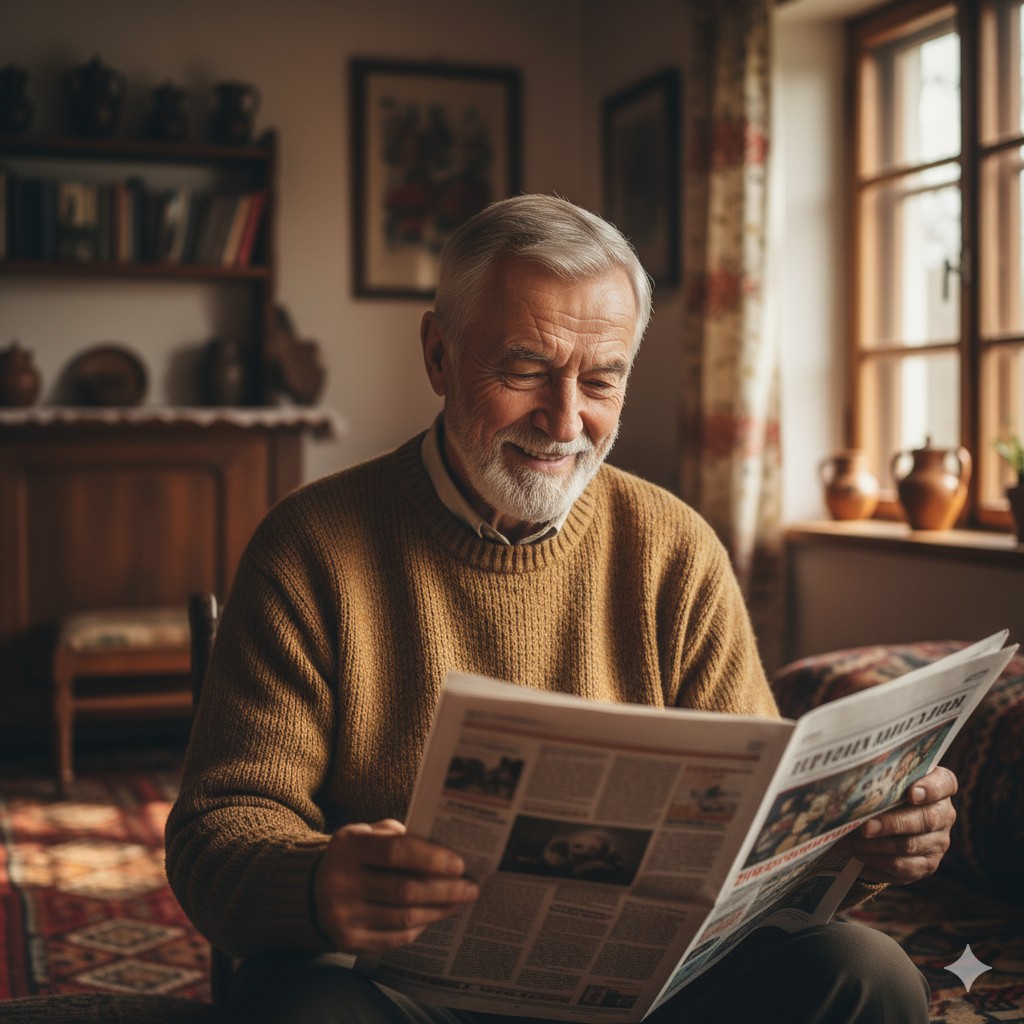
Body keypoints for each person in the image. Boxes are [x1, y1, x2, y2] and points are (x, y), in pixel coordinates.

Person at [165, 194, 956, 1023]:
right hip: (402, 996)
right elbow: (217, 828)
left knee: (866, 972)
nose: (565, 419)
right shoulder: (310, 546)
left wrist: (859, 843)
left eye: (601, 380)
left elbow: (757, 831)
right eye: (525, 369)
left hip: (644, 998)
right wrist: (319, 886)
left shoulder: (676, 550)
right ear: (439, 355)